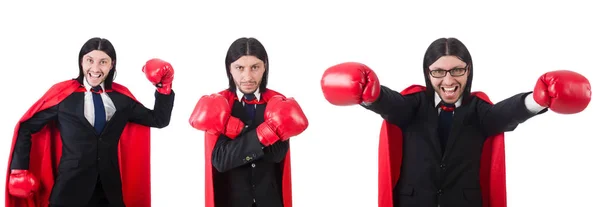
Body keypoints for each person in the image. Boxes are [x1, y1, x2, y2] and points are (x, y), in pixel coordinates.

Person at [320, 37, 591, 207]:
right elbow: (391, 104)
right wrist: (370, 94)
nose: (448, 81)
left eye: (457, 70)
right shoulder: (413, 106)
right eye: (438, 71)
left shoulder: (478, 111)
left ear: (468, 70)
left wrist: (537, 99)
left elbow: (504, 115)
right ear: (428, 73)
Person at [5, 37, 176, 207]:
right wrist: (19, 169)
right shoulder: (63, 95)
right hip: (69, 190)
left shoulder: (121, 98)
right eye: (89, 60)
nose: (95, 68)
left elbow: (158, 120)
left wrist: (164, 86)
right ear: (81, 62)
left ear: (112, 64)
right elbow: (27, 126)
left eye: (103, 62)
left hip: (109, 190)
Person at [189, 37, 308, 207]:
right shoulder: (221, 104)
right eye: (240, 68)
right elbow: (221, 161)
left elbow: (277, 154)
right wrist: (264, 134)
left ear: (264, 67)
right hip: (232, 200)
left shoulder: (276, 102)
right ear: (229, 69)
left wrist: (237, 134)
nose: (247, 76)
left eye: (255, 67)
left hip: (271, 200)